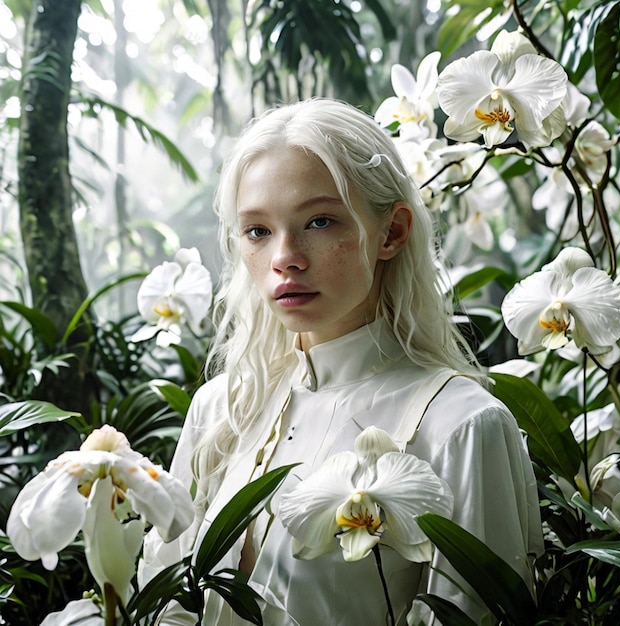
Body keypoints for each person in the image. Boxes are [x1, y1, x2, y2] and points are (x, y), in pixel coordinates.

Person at [141, 97, 543, 625]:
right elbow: (163, 599)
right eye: (258, 231)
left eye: (320, 220)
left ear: (392, 232)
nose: (284, 256)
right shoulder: (222, 410)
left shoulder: (462, 427)